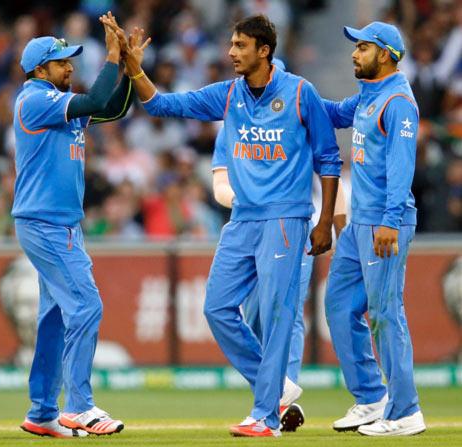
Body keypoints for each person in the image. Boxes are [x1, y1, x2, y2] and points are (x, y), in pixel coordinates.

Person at [105, 13, 341, 437]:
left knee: (275, 314)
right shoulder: (229, 95)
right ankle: (278, 389)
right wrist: (135, 68)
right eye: (231, 45)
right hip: (243, 219)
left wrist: (323, 221)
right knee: (217, 308)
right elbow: (162, 104)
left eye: (240, 46)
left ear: (264, 51)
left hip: (286, 218)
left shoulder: (302, 94)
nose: (231, 53)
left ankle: (265, 416)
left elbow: (328, 159)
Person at [13, 19, 145, 438]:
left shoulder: (60, 102)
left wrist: (125, 64)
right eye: (60, 63)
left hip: (62, 225)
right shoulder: (34, 100)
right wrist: (110, 56)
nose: (69, 68)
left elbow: (113, 106)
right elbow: (97, 98)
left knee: (54, 319)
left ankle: (41, 412)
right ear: (39, 70)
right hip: (45, 224)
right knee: (87, 306)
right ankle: (80, 407)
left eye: (69, 61)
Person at [322, 21, 426, 436]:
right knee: (338, 305)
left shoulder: (398, 101)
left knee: (385, 313)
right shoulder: (369, 96)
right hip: (359, 226)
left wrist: (390, 222)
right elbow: (331, 113)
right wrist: (289, 89)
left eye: (362, 47)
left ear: (384, 54)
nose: (354, 53)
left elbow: (403, 169)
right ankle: (370, 398)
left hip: (386, 223)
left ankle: (405, 412)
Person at [212, 123, 348, 432]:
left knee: (287, 311)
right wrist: (250, 198)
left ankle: (279, 399)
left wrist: (337, 229)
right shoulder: (233, 126)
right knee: (253, 315)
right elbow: (220, 186)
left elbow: (328, 173)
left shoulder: (297, 120)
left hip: (292, 225)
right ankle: (278, 385)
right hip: (248, 226)